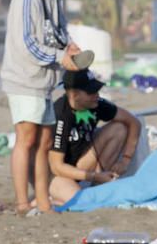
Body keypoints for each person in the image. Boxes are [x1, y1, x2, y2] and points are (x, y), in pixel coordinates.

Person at [1, 0, 81, 214]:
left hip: (45, 82)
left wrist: (71, 48)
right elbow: (28, 44)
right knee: (27, 139)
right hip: (23, 78)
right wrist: (61, 58)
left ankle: (44, 201)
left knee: (45, 142)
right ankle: (23, 202)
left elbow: (60, 32)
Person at [48, 68, 142, 206]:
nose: (97, 95)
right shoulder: (60, 114)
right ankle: (46, 198)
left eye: (97, 90)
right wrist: (93, 175)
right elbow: (56, 167)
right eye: (91, 91)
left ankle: (98, 184)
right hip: (57, 175)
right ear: (74, 95)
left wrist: (125, 161)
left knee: (119, 128)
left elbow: (134, 122)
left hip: (83, 163)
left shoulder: (96, 103)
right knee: (83, 203)